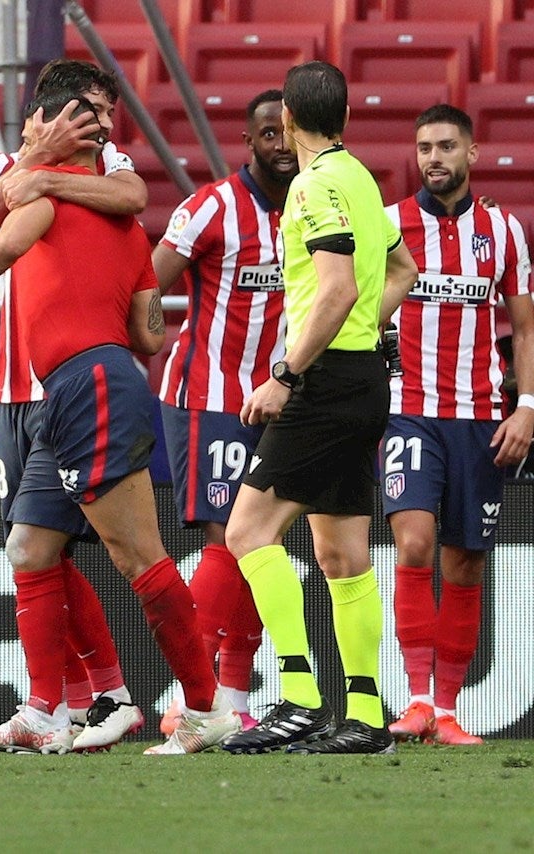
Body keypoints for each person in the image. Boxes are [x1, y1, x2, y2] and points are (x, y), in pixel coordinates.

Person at [0, 87, 240, 756]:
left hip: (88, 385)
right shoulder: (126, 221)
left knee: (138, 556)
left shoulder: (43, 195)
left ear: (52, 127)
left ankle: (206, 709)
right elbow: (150, 334)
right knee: (30, 547)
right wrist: (110, 284)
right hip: (81, 385)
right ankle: (43, 711)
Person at [221, 61, 419, 755]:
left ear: (287, 119)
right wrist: (368, 325)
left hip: (325, 380)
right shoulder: (361, 178)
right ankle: (364, 716)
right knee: (341, 556)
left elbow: (335, 288)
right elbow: (403, 270)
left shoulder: (312, 186)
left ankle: (301, 698)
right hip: (363, 377)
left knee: (248, 533)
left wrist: (285, 374)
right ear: (344, 117)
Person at [0, 60, 148, 752]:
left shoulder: (108, 165)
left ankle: (94, 697)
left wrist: (49, 178)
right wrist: (32, 164)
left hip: (71, 383)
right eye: (87, 109)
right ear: (46, 111)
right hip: (13, 390)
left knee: (49, 549)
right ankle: (80, 701)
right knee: (40, 555)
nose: (100, 123)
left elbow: (133, 196)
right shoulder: (4, 167)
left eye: (107, 111)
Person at [381, 104, 533, 746]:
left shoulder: (504, 230)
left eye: (446, 146)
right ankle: (417, 699)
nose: (433, 158)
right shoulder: (389, 225)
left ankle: (447, 710)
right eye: (424, 148)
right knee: (414, 542)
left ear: (471, 153)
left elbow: (524, 327)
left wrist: (527, 405)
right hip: (408, 409)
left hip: (480, 416)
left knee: (465, 561)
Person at [151, 90, 297, 734]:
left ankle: (234, 696)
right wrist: (142, 344)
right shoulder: (211, 206)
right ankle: (188, 696)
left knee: (262, 544)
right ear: (249, 140)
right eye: (268, 134)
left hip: (280, 401)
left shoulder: (313, 209)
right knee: (228, 539)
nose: (280, 145)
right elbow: (147, 283)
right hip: (210, 397)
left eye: (287, 132)